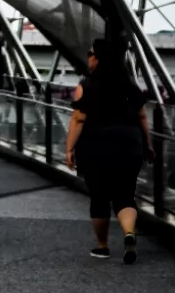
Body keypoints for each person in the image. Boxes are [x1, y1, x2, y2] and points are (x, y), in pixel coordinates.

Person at [65, 37, 152, 264]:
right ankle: (129, 234)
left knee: (99, 197)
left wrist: (69, 150)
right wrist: (148, 145)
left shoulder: (86, 86)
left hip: (96, 146)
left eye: (90, 54)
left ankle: (103, 247)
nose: (88, 58)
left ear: (99, 58)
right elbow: (142, 117)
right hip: (130, 144)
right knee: (125, 196)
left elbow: (79, 119)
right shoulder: (129, 85)